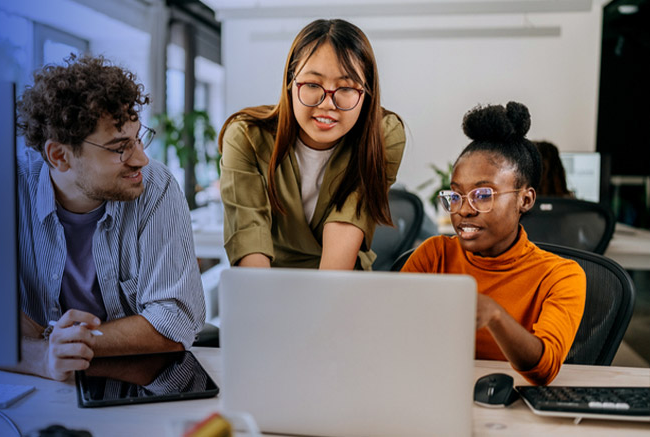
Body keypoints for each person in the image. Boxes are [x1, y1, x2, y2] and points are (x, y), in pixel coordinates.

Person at [12, 55, 205, 381]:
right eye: (120, 147)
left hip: (136, 384)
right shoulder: (6, 189)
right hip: (31, 382)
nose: (142, 159)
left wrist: (72, 342)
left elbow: (175, 320)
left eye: (138, 138)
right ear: (59, 156)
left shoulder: (156, 188)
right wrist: (44, 357)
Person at [401, 102, 585, 385]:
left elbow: (544, 369)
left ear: (525, 199)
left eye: (483, 195)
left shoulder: (561, 276)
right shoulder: (434, 254)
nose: (463, 209)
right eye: (456, 195)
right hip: (434, 389)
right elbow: (393, 332)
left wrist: (495, 315)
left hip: (515, 405)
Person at [218, 19, 406, 270]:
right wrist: (264, 304)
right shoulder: (246, 136)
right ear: (290, 83)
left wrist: (318, 307)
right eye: (312, 84)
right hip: (271, 284)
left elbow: (346, 224)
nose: (327, 103)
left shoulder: (383, 135)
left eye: (347, 87)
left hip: (341, 285)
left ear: (367, 92)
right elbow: (248, 237)